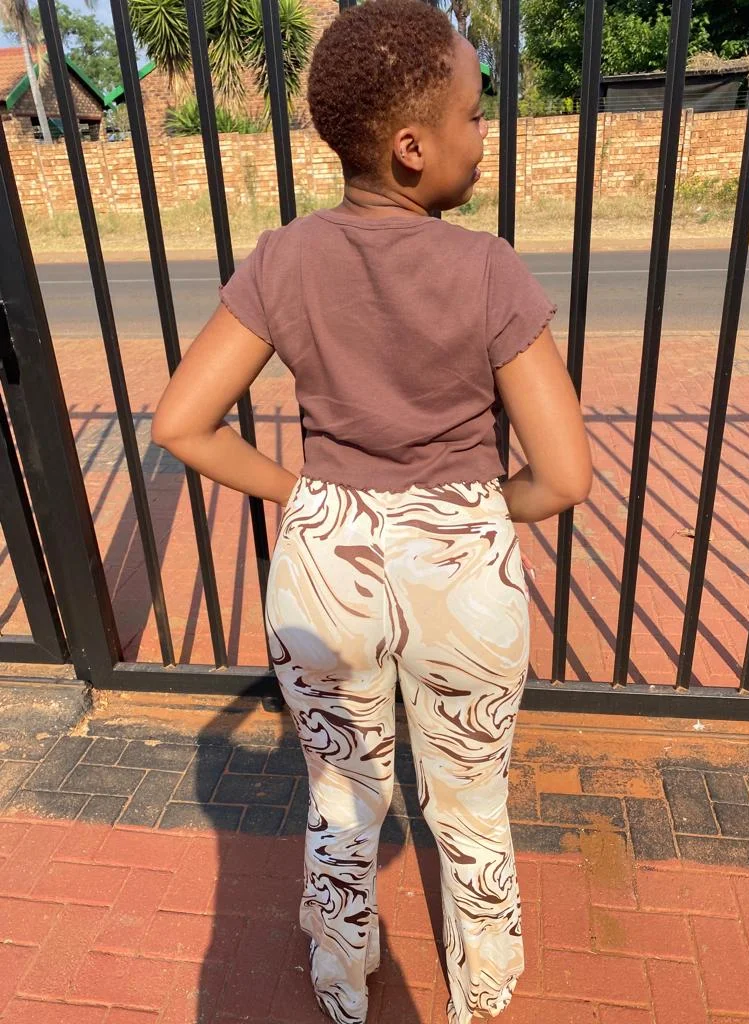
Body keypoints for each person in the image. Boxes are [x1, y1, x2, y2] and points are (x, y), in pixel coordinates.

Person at [151, 1, 592, 1020]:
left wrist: (304, 492)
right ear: (411, 147)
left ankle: (343, 982)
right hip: (459, 562)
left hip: (328, 560)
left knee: (343, 797)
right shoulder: (486, 269)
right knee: (471, 800)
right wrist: (482, 507)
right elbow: (566, 478)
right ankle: (484, 985)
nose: (483, 133)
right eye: (473, 114)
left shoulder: (284, 259)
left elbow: (182, 423)